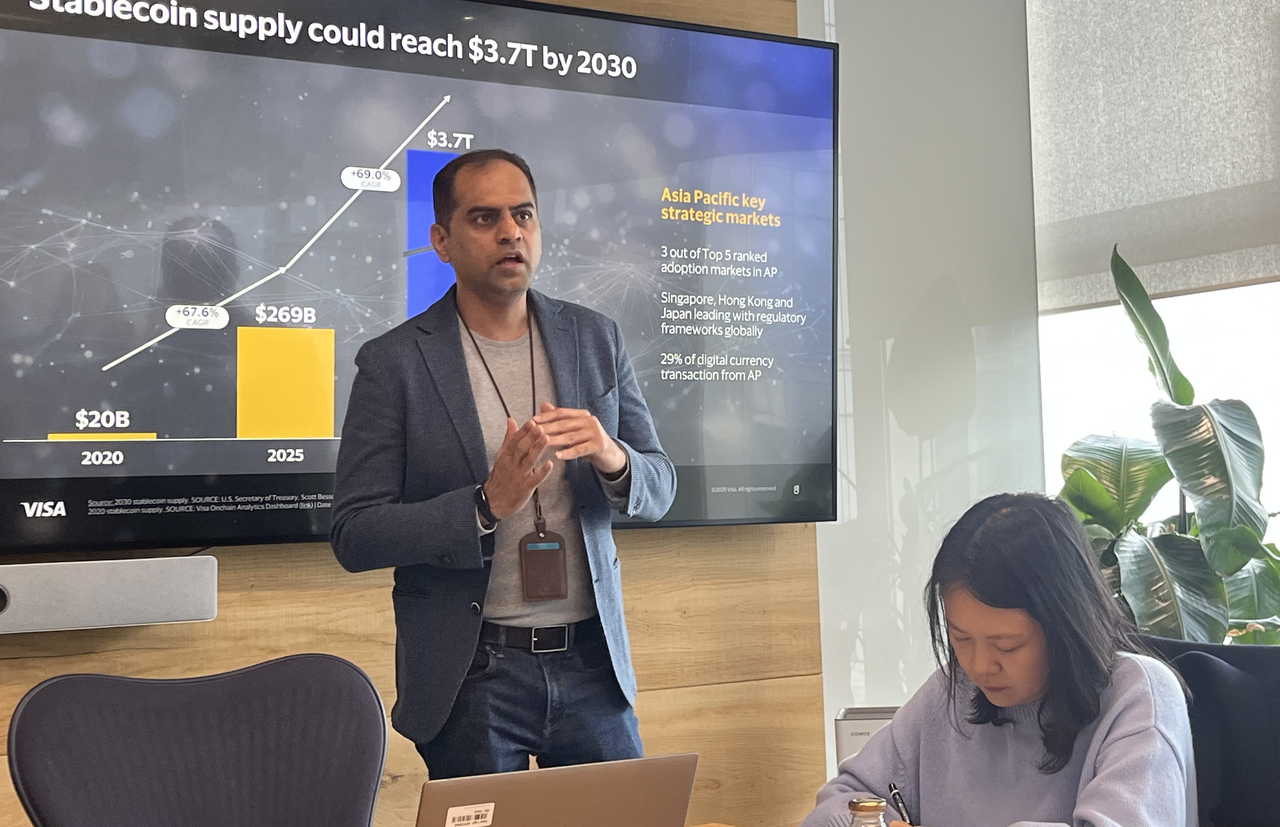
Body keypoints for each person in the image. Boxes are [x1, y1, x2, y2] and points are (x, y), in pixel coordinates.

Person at [330, 149, 676, 779]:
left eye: (524, 214)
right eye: (485, 218)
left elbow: (660, 484)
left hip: (593, 665)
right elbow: (356, 534)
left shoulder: (595, 337)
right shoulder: (394, 363)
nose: (511, 232)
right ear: (442, 240)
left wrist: (612, 455)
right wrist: (484, 505)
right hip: (474, 675)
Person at [802, 492, 1196, 827]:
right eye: (961, 638)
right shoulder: (951, 692)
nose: (979, 666)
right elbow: (841, 801)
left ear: (1065, 627)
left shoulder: (1138, 698)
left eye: (1007, 645)